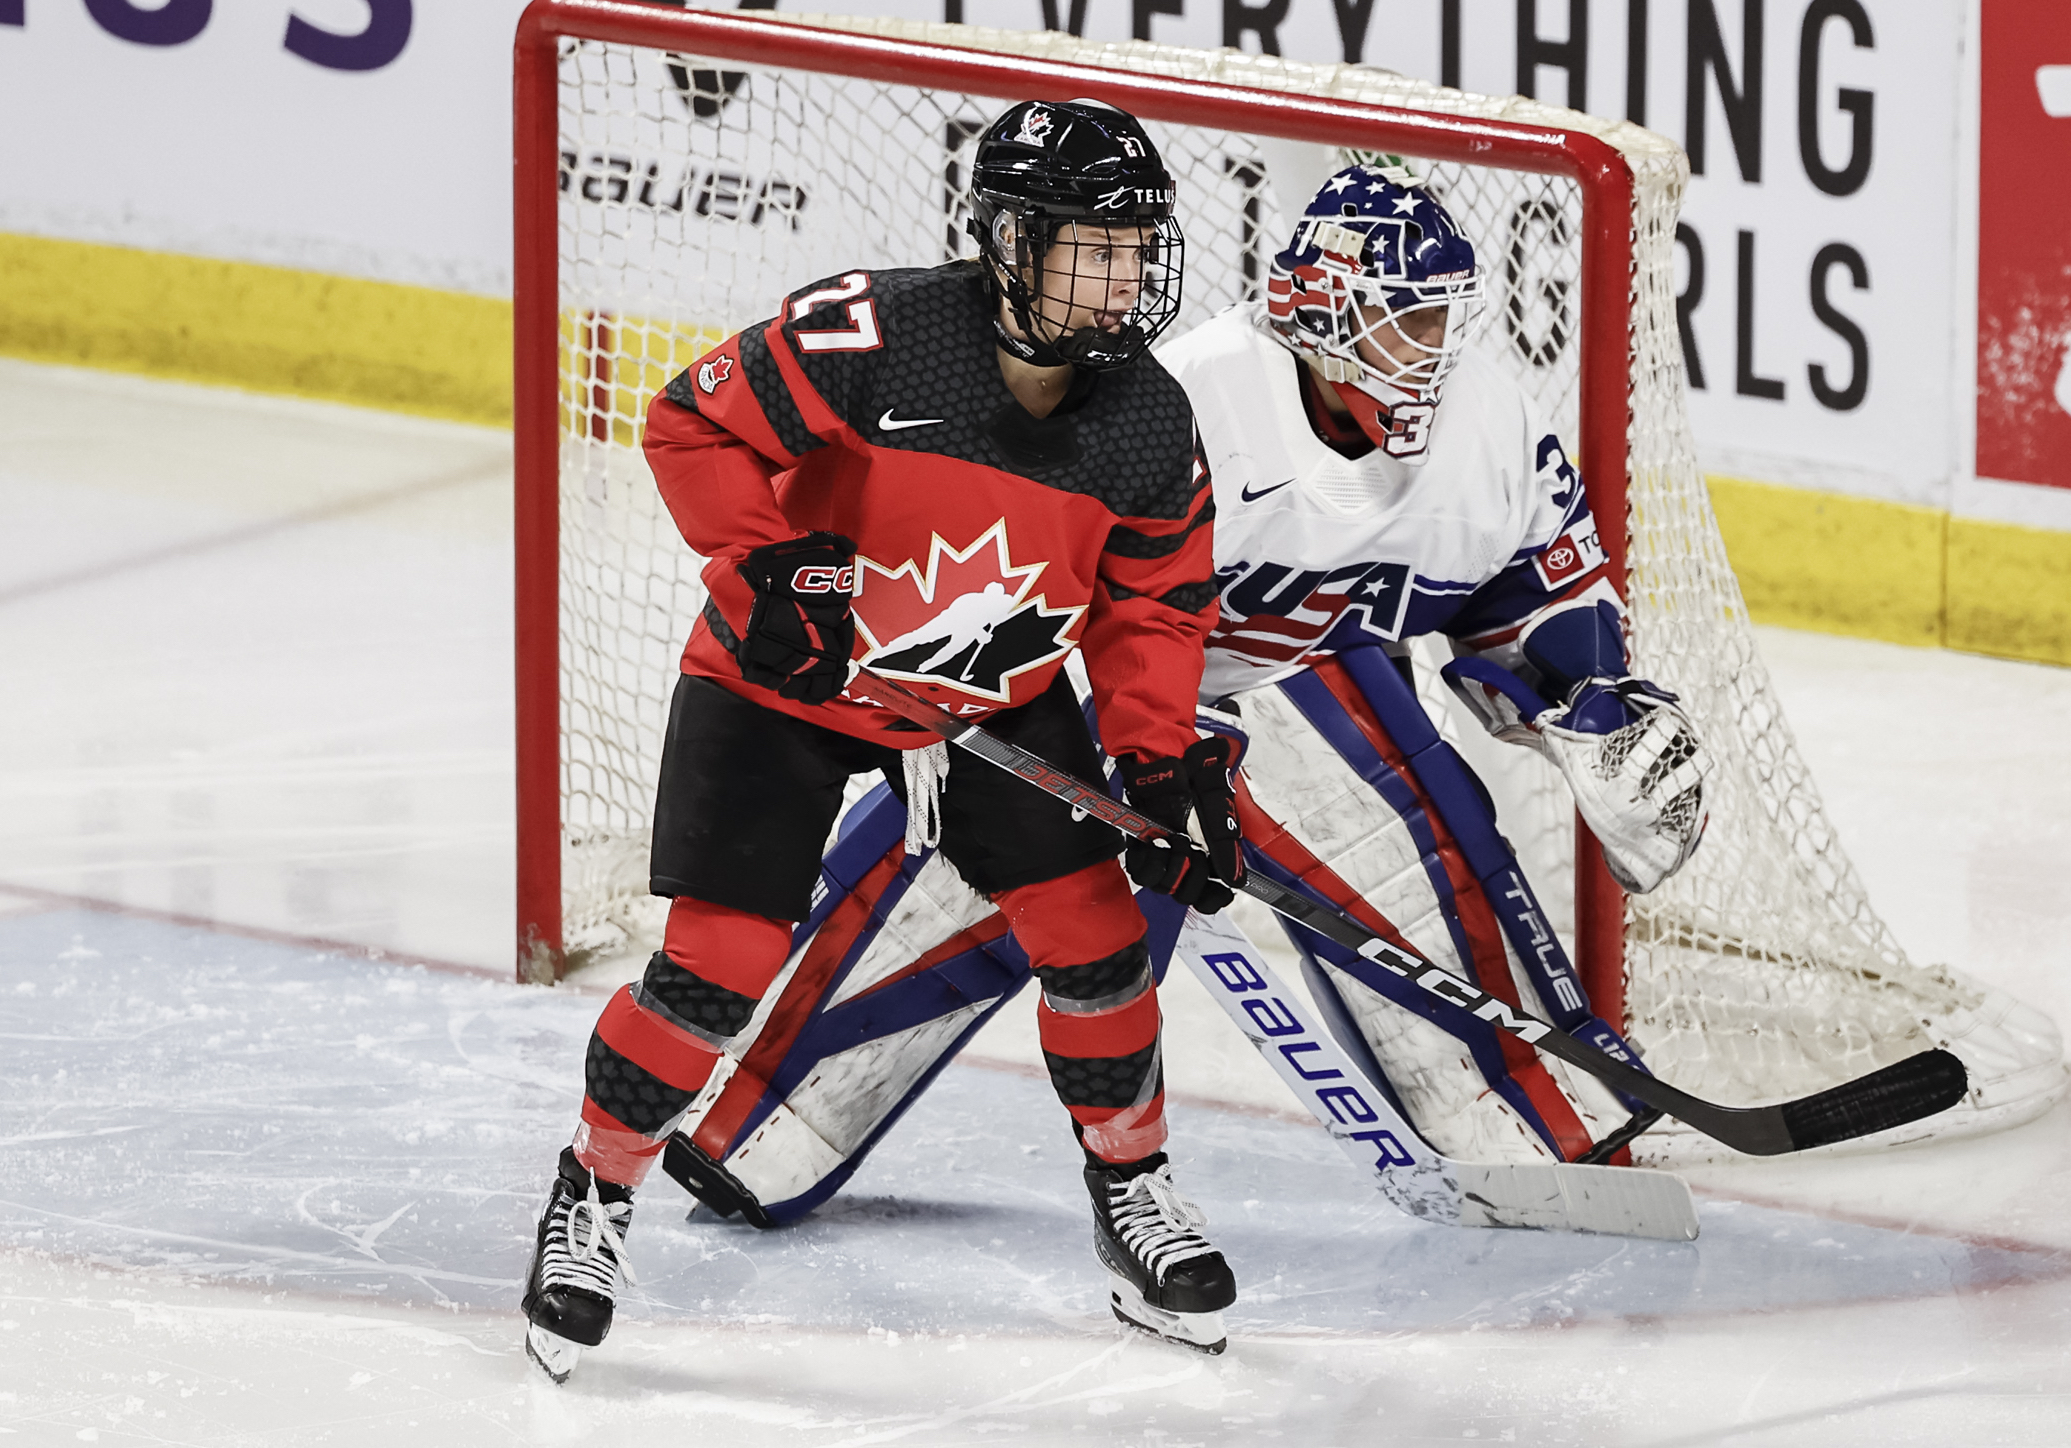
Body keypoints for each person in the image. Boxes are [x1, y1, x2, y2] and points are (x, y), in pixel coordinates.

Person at [660, 165, 1709, 1265]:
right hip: (1080, 677)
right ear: (1323, 319)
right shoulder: (1197, 401)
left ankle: (1535, 1118)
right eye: (1404, 322)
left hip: (1299, 677)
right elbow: (1058, 578)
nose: (1433, 354)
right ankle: (762, 1107)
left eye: (1441, 320)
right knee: (987, 884)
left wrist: (1598, 707)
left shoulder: (1489, 426)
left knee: (1420, 843)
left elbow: (1534, 594)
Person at [519, 99, 1242, 1383]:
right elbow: (690, 422)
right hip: (783, 684)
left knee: (1098, 938)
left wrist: (1157, 760)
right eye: (1096, 247)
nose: (1127, 277)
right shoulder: (878, 332)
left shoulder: (1146, 417)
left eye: (1139, 248)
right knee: (717, 969)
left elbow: (1155, 605)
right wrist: (769, 569)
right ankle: (597, 1186)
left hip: (987, 696)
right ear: (1011, 241)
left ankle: (1132, 1188)